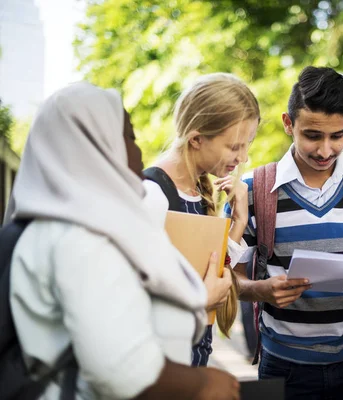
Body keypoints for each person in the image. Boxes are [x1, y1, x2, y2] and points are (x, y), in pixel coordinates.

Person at [6, 82, 240, 399]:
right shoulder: (80, 239)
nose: (139, 151)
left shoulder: (67, 228)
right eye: (130, 136)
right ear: (95, 143)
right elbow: (124, 372)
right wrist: (204, 382)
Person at [227, 66, 343, 400]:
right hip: (282, 366)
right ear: (288, 124)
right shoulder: (252, 191)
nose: (325, 151)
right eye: (312, 135)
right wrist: (261, 290)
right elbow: (228, 279)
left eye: (337, 136)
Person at [143, 72, 260, 367]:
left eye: (247, 145)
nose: (243, 158)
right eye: (235, 147)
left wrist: (239, 222)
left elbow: (212, 270)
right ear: (196, 139)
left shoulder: (197, 191)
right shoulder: (152, 196)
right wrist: (199, 301)